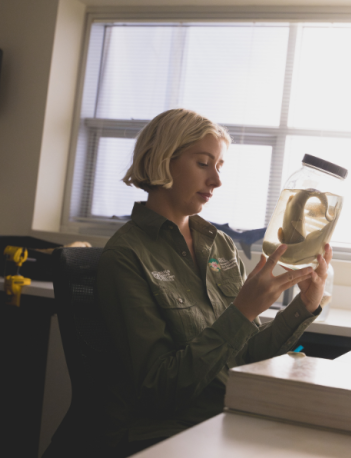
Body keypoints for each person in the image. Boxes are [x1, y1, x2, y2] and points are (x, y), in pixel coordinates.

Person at [96, 109, 332, 456]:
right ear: (163, 160)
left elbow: (247, 358)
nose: (217, 181)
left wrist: (306, 304)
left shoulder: (218, 244)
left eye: (220, 166)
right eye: (204, 163)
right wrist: (242, 311)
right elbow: (159, 390)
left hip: (227, 417)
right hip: (167, 434)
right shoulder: (126, 256)